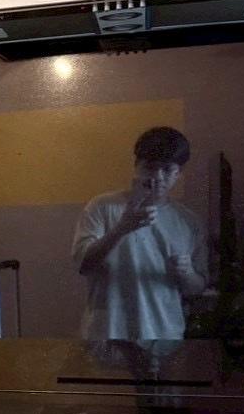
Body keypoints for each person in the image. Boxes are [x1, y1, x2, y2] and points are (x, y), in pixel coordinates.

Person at [72, 126, 208, 343]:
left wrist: (187, 273)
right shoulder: (102, 207)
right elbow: (82, 265)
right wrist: (121, 228)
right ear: (137, 166)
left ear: (178, 173)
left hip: (165, 336)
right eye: (150, 167)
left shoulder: (188, 221)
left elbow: (197, 288)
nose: (158, 177)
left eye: (167, 169)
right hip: (106, 334)